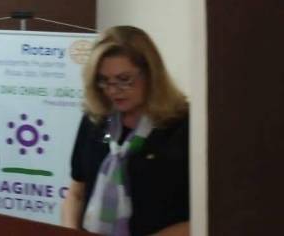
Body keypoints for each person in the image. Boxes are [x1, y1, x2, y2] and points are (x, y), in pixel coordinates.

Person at [61, 26, 190, 235]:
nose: (113, 90)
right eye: (104, 81)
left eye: (124, 79)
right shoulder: (95, 120)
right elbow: (76, 194)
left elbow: (201, 215)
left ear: (151, 73)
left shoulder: (182, 126)